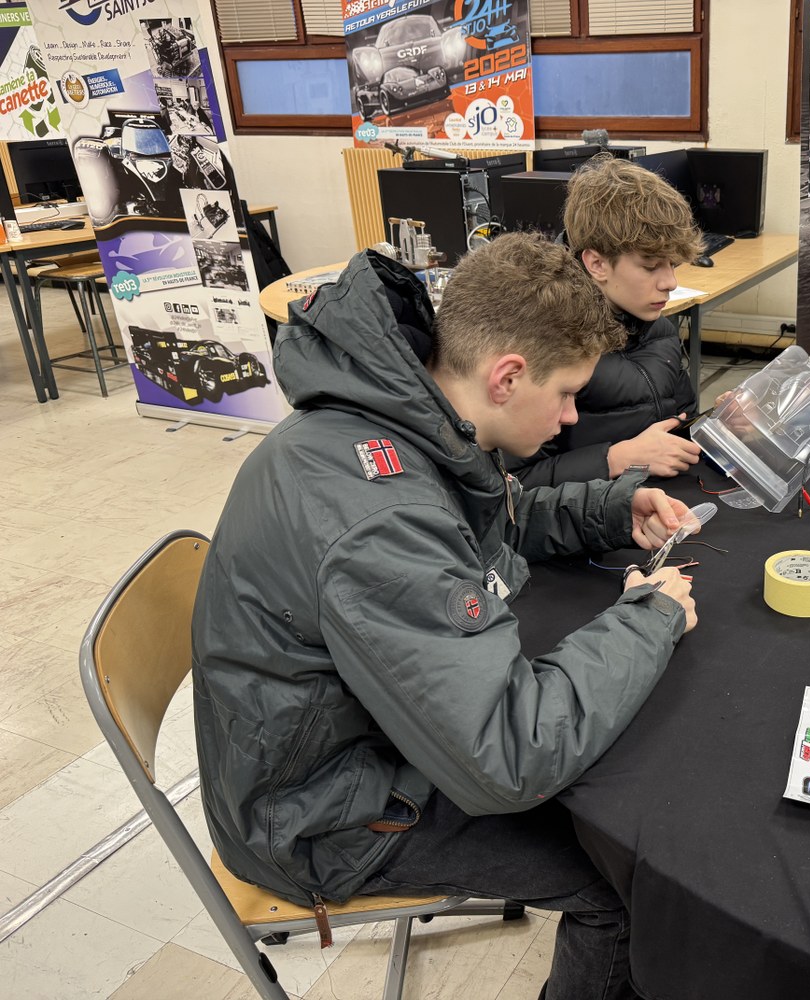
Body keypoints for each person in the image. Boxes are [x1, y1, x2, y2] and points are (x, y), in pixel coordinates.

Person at [192, 233, 699, 1000]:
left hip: (336, 753)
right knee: (624, 883)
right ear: (507, 377)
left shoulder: (404, 414)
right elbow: (508, 755)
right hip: (320, 820)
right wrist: (647, 618)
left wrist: (607, 508)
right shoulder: (378, 516)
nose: (570, 418)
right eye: (566, 394)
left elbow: (477, 520)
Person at [505, 156, 704, 486]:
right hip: (588, 511)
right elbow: (513, 483)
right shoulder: (544, 343)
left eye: (673, 265)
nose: (670, 282)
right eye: (651, 266)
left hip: (658, 498)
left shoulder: (657, 328)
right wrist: (617, 459)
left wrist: (722, 427)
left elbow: (681, 425)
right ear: (597, 264)